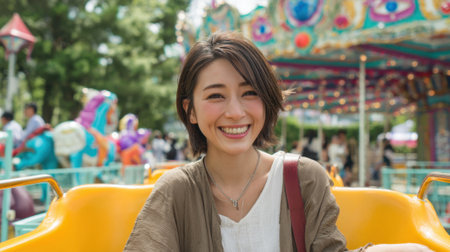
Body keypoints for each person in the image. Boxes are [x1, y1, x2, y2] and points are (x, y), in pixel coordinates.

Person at [124, 32, 432, 252]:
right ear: (190, 110)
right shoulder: (176, 190)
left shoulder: (304, 178)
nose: (235, 112)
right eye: (216, 96)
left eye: (250, 93)